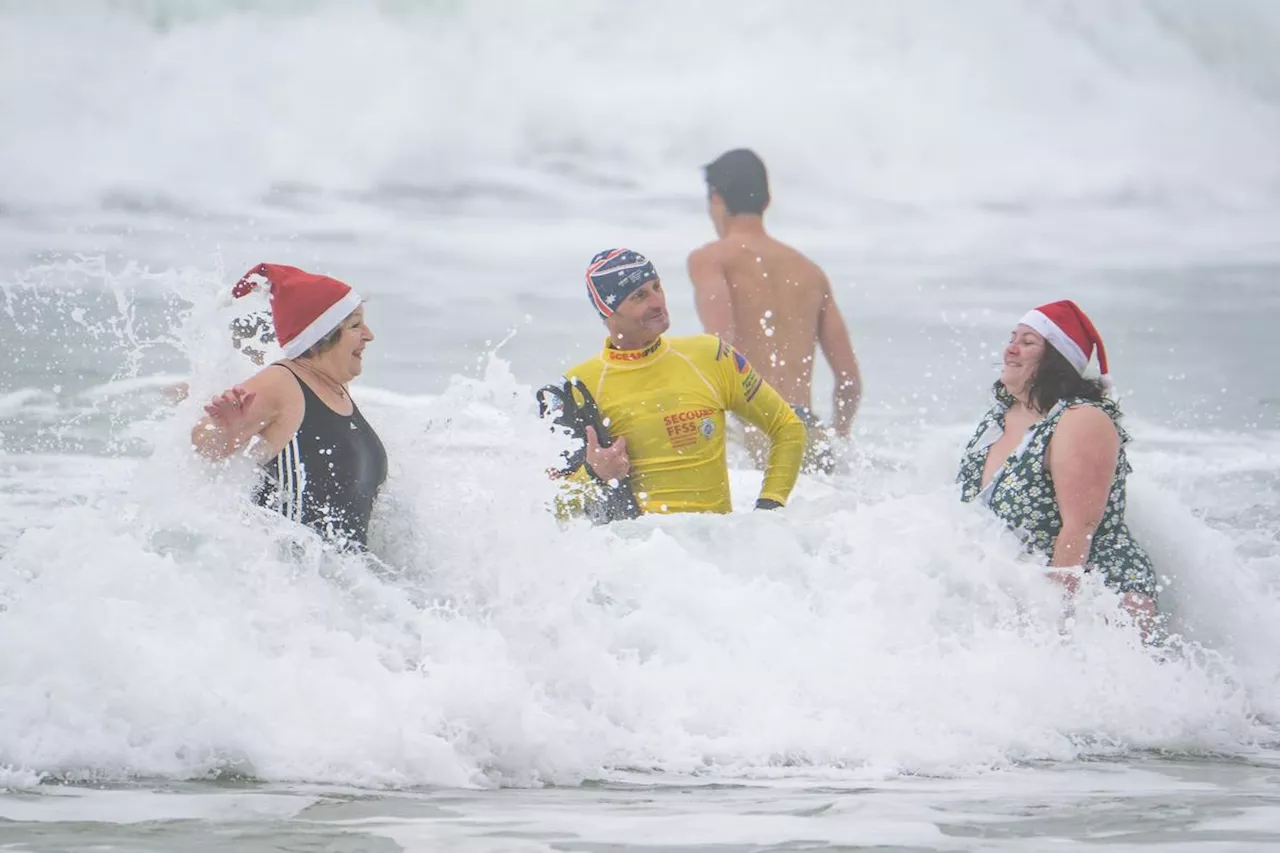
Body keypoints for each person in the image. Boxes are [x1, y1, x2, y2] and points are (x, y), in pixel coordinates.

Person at [538, 248, 808, 522]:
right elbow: (551, 508)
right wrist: (593, 473)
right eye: (639, 296)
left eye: (657, 287)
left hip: (719, 554)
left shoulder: (711, 356)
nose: (657, 302)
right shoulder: (577, 388)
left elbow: (787, 426)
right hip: (640, 557)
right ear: (609, 312)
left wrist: (768, 511)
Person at [956, 299, 1158, 633]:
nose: (1011, 350)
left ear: (1056, 361)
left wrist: (1051, 628)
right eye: (1012, 338)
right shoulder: (999, 418)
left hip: (1101, 602)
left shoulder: (1081, 420)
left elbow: (1079, 529)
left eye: (1028, 342)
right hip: (1022, 593)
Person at [686, 148, 862, 473]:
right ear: (766, 201)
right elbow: (849, 379)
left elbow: (720, 348)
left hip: (753, 428)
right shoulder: (810, 272)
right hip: (807, 431)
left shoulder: (712, 259)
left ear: (715, 198)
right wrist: (840, 434)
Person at [190, 263, 387, 550]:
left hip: (337, 586)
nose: (369, 335)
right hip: (285, 583)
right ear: (321, 336)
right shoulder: (281, 382)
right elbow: (202, 445)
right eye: (355, 326)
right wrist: (224, 428)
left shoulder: (336, 388)